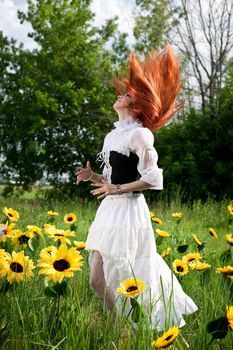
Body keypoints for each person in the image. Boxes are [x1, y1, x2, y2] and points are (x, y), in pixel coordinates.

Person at [76, 44, 198, 330]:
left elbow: (153, 178)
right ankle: (119, 323)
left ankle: (130, 328)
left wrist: (118, 190)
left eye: (127, 94)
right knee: (96, 279)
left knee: (131, 272)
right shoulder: (111, 136)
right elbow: (110, 181)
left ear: (137, 105)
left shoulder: (140, 135)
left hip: (130, 210)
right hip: (109, 212)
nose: (120, 95)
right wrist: (92, 177)